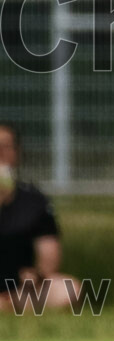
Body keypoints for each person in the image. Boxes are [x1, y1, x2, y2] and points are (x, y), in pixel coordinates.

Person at [0, 122, 79, 312]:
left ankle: (10, 305)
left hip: (20, 290)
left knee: (68, 289)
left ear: (16, 153)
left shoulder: (34, 201)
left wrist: (37, 275)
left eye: (5, 147)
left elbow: (49, 256)